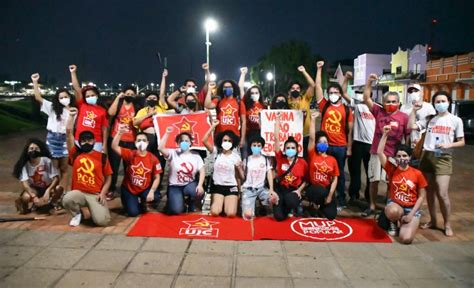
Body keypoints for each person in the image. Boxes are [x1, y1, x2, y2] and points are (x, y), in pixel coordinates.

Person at [414, 91, 465, 237]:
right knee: (428, 191)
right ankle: (433, 220)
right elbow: (412, 126)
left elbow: (462, 142)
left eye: (443, 101)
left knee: (442, 193)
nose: (440, 104)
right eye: (437, 101)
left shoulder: (456, 120)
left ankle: (447, 223)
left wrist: (448, 145)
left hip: (444, 158)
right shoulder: (430, 119)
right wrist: (414, 110)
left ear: (449, 102)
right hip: (427, 156)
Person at [362, 74, 410, 217]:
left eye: (394, 101)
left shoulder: (404, 117)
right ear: (383, 102)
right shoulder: (379, 111)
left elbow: (407, 136)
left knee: (391, 182)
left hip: (393, 154)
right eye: (388, 101)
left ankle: (390, 205)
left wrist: (406, 154)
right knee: (374, 180)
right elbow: (366, 98)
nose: (391, 104)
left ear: (399, 102)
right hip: (377, 152)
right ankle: (372, 205)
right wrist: (369, 82)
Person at [62, 108, 112, 227]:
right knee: (67, 199)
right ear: (79, 142)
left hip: (95, 194)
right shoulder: (75, 154)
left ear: (94, 141)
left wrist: (103, 193)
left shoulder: (102, 157)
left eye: (89, 140)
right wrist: (71, 117)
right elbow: (69, 133)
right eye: (83, 141)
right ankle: (77, 214)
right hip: (78, 192)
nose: (86, 143)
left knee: (102, 221)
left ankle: (93, 209)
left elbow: (108, 178)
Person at [378, 125, 427, 244]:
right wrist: (385, 134)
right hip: (396, 205)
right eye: (399, 156)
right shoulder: (392, 169)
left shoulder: (417, 173)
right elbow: (379, 152)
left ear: (409, 157)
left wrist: (411, 214)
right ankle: (393, 221)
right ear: (395, 158)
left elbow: (421, 196)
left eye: (404, 156)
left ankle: (406, 221)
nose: (402, 158)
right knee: (392, 211)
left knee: (405, 239)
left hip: (411, 208)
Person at [315, 61, 353, 210]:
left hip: (340, 147)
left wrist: (349, 148)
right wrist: (319, 69)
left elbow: (350, 131)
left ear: (340, 94)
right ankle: (321, 197)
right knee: (322, 171)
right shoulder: (324, 105)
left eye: (336, 92)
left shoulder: (347, 110)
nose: (333, 95)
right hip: (325, 146)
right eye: (331, 92)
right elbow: (317, 86)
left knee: (340, 175)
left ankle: (341, 199)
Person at [31, 73, 74, 191]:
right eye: (61, 97)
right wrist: (35, 82)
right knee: (53, 170)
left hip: (65, 140)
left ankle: (61, 192)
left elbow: (71, 129)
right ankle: (52, 192)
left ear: (70, 97)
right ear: (57, 99)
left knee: (64, 168)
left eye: (66, 97)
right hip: (53, 139)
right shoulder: (52, 107)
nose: (63, 99)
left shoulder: (74, 110)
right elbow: (38, 98)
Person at [133, 70, 168, 205]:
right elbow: (135, 123)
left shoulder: (161, 108)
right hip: (146, 140)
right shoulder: (142, 111)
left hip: (159, 140)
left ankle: (157, 188)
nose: (152, 99)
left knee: (159, 163)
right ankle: (144, 187)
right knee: (146, 163)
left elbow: (162, 94)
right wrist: (149, 115)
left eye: (154, 98)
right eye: (150, 98)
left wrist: (163, 77)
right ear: (146, 100)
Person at [340, 72, 375, 204]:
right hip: (357, 143)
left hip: (372, 145)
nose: (363, 96)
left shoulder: (377, 108)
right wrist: (347, 78)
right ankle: (353, 195)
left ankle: (369, 196)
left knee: (370, 173)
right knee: (355, 173)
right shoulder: (358, 105)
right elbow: (343, 92)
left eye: (365, 94)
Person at [111, 126, 161, 216]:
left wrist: (152, 191)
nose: (141, 142)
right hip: (129, 189)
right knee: (133, 212)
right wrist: (119, 133)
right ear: (135, 143)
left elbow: (157, 177)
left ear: (148, 143)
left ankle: (144, 202)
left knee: (156, 196)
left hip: (144, 188)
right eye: (138, 140)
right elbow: (114, 146)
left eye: (144, 140)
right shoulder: (130, 154)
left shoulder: (153, 159)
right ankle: (129, 201)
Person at [203, 120, 244, 217]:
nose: (227, 142)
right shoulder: (216, 152)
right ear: (221, 141)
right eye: (225, 140)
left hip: (231, 187)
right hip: (217, 187)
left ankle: (229, 203)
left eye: (229, 141)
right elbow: (204, 140)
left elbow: (240, 177)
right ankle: (219, 204)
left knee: (230, 213)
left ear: (233, 143)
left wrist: (239, 191)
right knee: (215, 212)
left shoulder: (236, 156)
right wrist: (213, 126)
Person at [159, 127, 205, 214]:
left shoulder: (196, 155)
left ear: (190, 143)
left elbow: (202, 171)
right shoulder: (173, 153)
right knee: (176, 210)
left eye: (187, 141)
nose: (184, 142)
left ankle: (192, 203)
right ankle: (176, 201)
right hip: (175, 186)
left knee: (198, 192)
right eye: (182, 141)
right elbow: (160, 148)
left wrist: (200, 185)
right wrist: (167, 133)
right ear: (178, 143)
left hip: (189, 184)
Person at [273, 113, 308, 221]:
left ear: (297, 149)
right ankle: (287, 208)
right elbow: (276, 138)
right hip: (281, 189)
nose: (290, 149)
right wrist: (277, 121)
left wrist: (299, 191)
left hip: (293, 191)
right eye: (288, 147)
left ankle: (294, 205)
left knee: (290, 200)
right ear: (284, 149)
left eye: (293, 147)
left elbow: (306, 180)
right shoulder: (280, 158)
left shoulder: (303, 162)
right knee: (279, 217)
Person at [107, 85, 140, 199]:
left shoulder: (136, 106)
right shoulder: (120, 104)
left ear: (135, 96)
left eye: (132, 94)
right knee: (114, 167)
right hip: (117, 140)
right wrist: (117, 97)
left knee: (128, 167)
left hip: (130, 140)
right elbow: (111, 113)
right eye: (127, 93)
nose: (129, 96)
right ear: (123, 94)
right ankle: (111, 189)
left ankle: (127, 189)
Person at [13, 139, 60, 214]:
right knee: (26, 197)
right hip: (34, 188)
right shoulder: (24, 165)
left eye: (36, 148)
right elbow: (24, 183)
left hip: (47, 187)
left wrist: (48, 190)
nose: (33, 150)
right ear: (27, 151)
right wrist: (33, 196)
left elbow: (56, 178)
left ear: (40, 150)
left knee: (58, 188)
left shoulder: (46, 161)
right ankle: (23, 204)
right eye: (31, 148)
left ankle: (52, 203)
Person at [306, 112, 338, 220]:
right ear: (316, 144)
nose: (323, 144)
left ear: (328, 144)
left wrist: (330, 195)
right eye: (320, 142)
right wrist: (313, 120)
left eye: (325, 142)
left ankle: (320, 207)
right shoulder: (312, 155)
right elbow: (311, 138)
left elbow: (335, 179)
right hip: (314, 189)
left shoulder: (332, 160)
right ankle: (314, 204)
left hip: (326, 190)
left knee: (331, 215)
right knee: (321, 191)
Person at [69, 65, 109, 153]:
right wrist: (73, 72)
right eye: (87, 96)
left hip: (96, 141)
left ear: (97, 96)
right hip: (79, 140)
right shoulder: (82, 105)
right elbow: (77, 88)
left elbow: (104, 129)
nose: (90, 97)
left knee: (95, 164)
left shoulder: (102, 110)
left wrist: (104, 145)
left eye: (92, 95)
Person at [240, 135, 277, 220]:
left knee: (274, 198)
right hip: (248, 189)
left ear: (262, 147)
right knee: (248, 216)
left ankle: (266, 206)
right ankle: (252, 208)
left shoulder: (265, 160)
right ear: (251, 146)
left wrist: (271, 189)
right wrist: (239, 168)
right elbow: (243, 176)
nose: (256, 147)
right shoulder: (246, 160)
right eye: (254, 145)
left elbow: (269, 174)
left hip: (262, 189)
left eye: (259, 145)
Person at [287, 65, 316, 158]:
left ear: (300, 90)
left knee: (305, 159)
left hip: (305, 135)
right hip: (292, 136)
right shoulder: (287, 102)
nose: (295, 90)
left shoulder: (306, 98)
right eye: (293, 88)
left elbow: (312, 85)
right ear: (289, 91)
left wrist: (304, 71)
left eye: (297, 88)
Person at [238, 67, 266, 153]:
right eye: (252, 93)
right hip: (247, 134)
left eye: (256, 93)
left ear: (260, 94)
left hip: (260, 134)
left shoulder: (264, 106)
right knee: (247, 156)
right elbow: (240, 87)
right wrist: (243, 74)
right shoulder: (246, 103)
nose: (254, 94)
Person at [400, 83, 436, 149]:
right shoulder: (404, 107)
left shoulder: (428, 106)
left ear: (421, 92)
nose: (413, 93)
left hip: (423, 138)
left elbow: (432, 124)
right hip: (408, 138)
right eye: (411, 92)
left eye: (416, 91)